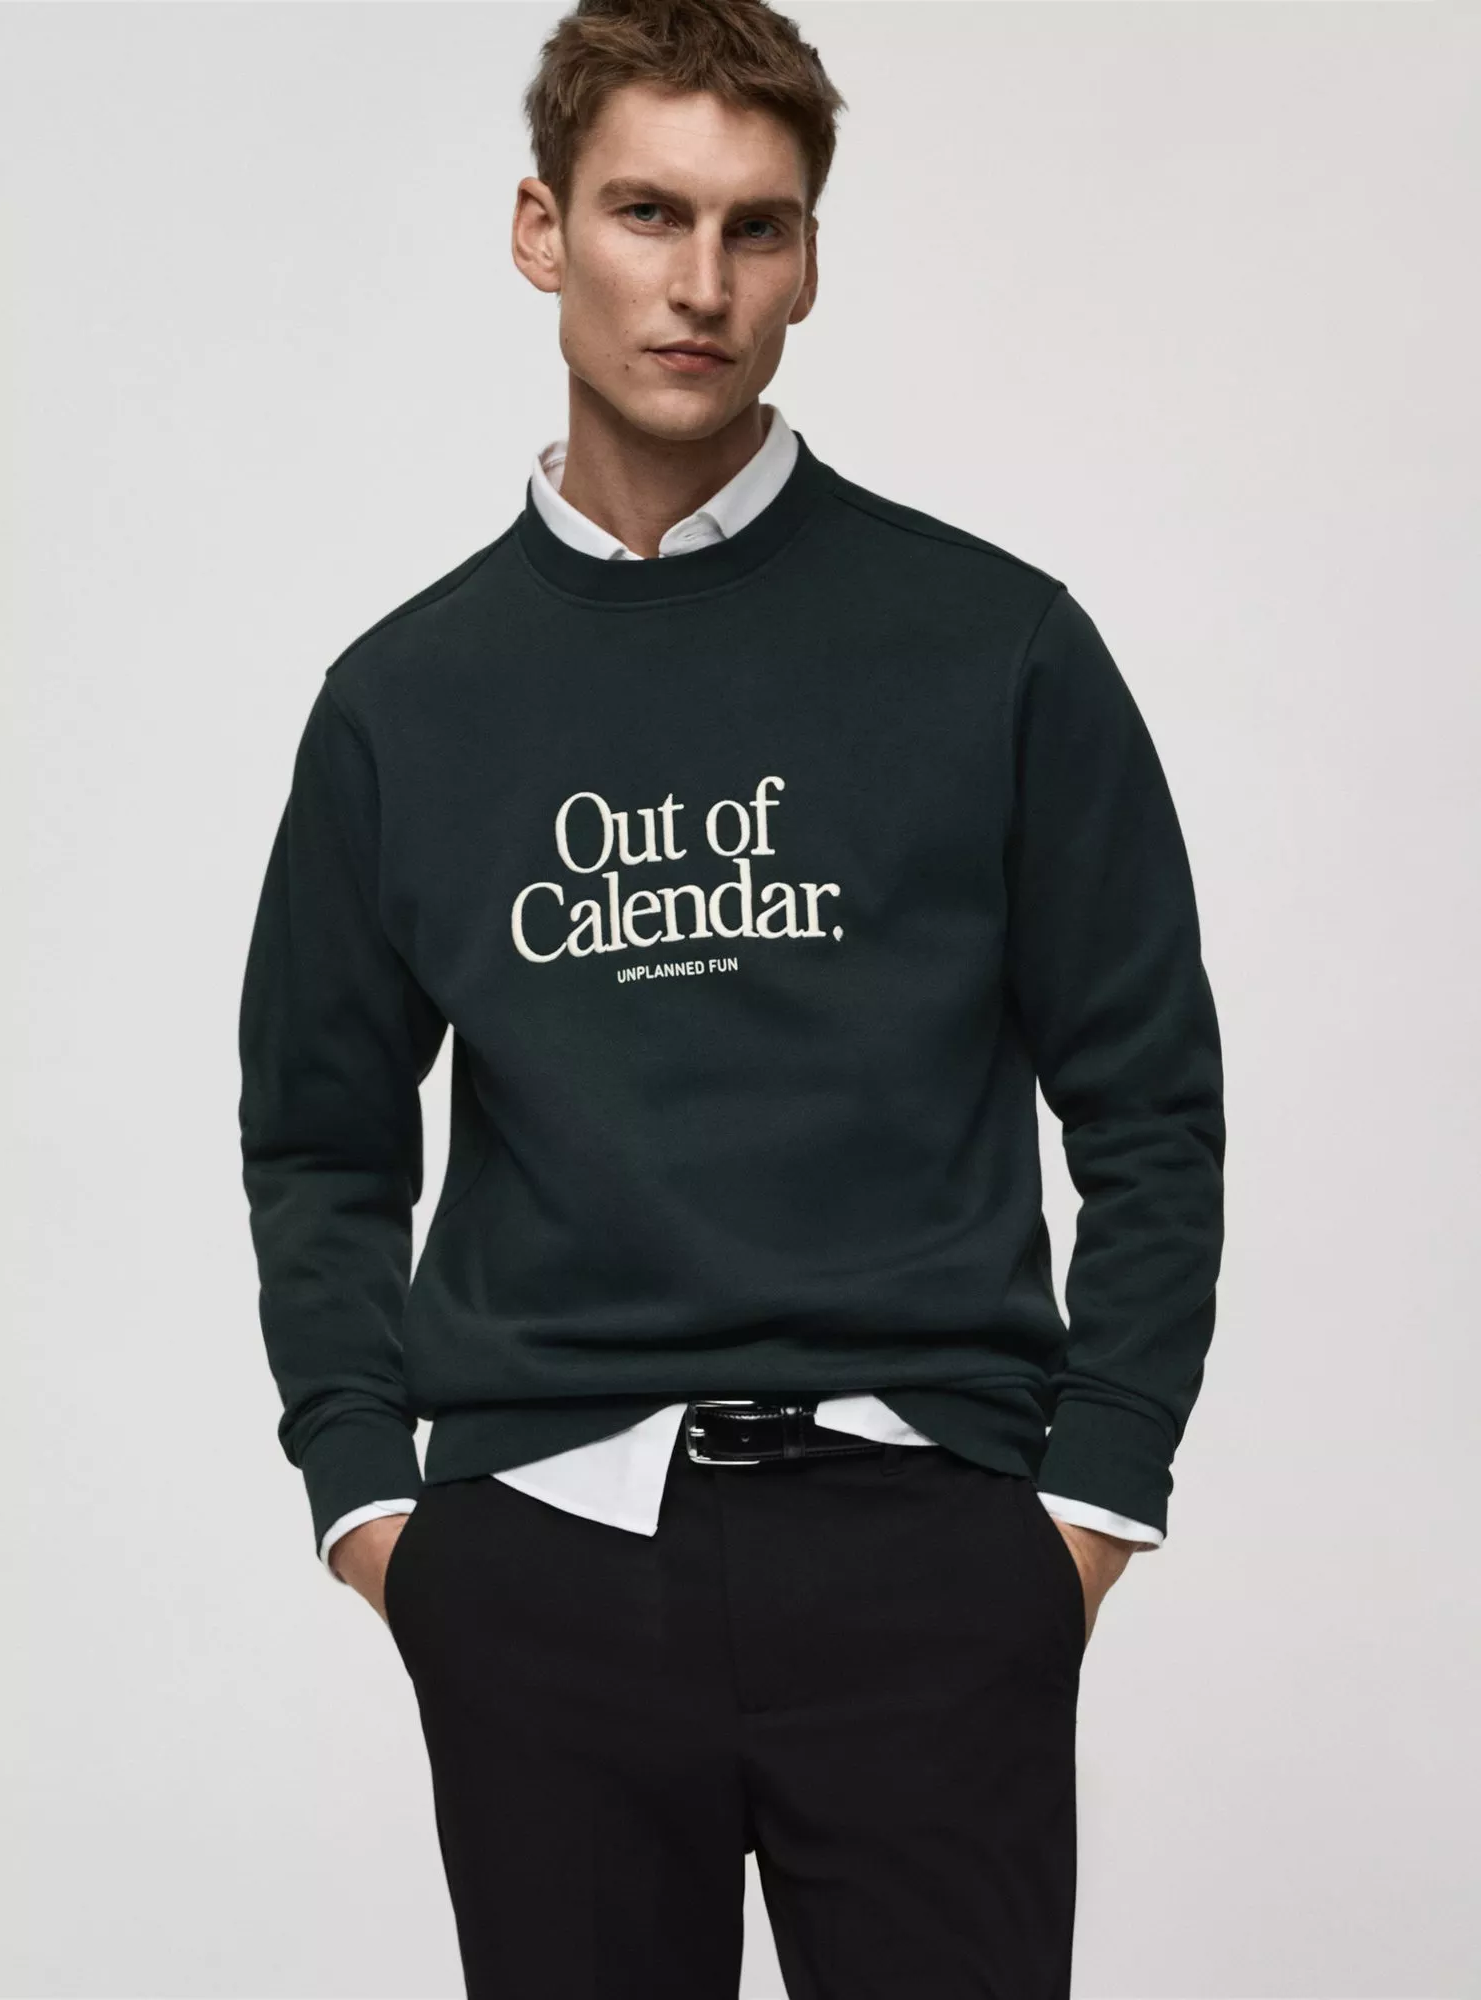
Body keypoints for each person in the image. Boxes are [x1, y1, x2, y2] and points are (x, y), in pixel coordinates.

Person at [236, 1, 1226, 1993]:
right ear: (542, 229)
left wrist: (1092, 1499)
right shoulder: (403, 703)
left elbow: (1151, 1102)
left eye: (755, 227)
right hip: (542, 1555)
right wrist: (370, 1501)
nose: (700, 283)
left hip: (930, 1543)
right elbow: (321, 1135)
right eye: (647, 212)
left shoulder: (997, 647)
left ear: (808, 263)